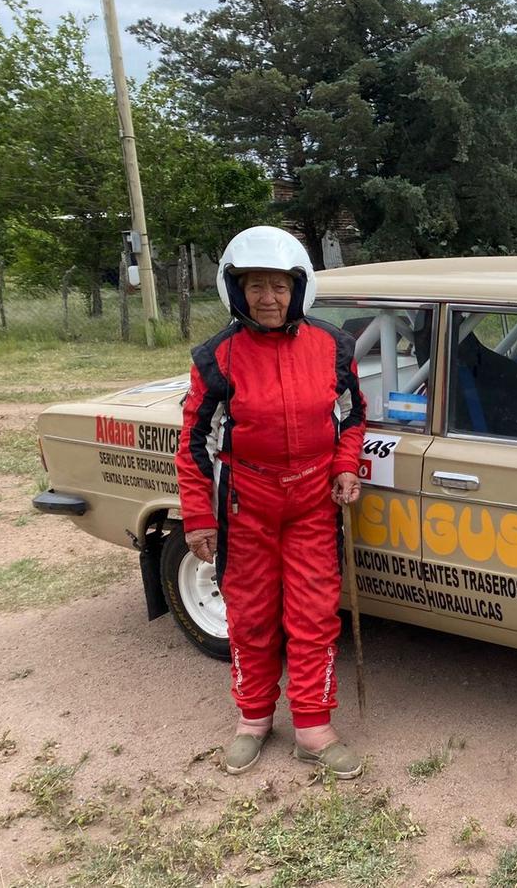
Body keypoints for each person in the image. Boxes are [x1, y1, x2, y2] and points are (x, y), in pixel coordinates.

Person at [175, 226, 366, 778]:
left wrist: (345, 466)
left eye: (280, 286)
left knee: (312, 615)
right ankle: (253, 719)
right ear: (235, 290)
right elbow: (192, 442)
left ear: (298, 288)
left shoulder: (334, 347)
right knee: (253, 617)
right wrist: (196, 518)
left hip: (311, 500)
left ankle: (313, 726)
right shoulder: (216, 357)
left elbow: (353, 417)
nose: (269, 298)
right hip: (245, 502)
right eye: (256, 286)